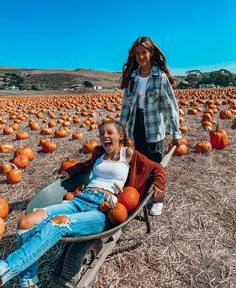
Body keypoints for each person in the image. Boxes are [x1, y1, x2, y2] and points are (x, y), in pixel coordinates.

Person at [0, 120, 165, 288]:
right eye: (102, 133)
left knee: (59, 223)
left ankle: (3, 270)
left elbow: (157, 168)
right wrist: (71, 171)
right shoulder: (99, 155)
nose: (104, 136)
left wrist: (159, 184)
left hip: (102, 208)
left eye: (109, 132)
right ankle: (28, 282)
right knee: (25, 223)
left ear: (120, 136)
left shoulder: (128, 154)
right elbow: (84, 166)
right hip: (79, 200)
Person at [120, 36, 182, 216]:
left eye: (144, 52)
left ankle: (157, 200)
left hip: (154, 125)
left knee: (155, 164)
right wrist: (120, 128)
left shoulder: (160, 77)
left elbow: (171, 105)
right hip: (136, 125)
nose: (140, 56)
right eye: (137, 53)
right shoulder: (132, 77)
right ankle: (140, 196)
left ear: (151, 53)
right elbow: (126, 105)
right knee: (139, 163)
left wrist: (176, 132)